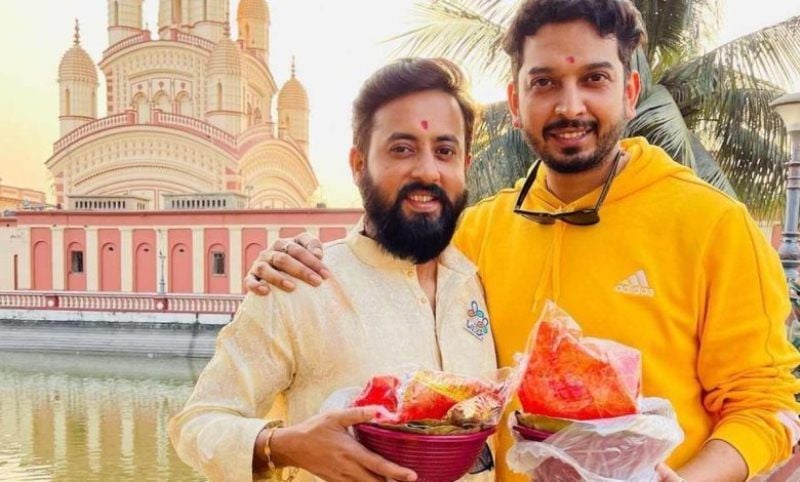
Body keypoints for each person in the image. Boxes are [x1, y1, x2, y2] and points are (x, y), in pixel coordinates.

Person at [245, 1, 800, 481]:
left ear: (630, 92)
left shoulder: (712, 225)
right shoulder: (478, 232)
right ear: (514, 101)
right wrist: (298, 259)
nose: (570, 106)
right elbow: (386, 261)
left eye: (595, 79)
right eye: (545, 83)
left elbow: (766, 407)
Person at [169, 58, 498, 482]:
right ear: (358, 164)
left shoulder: (473, 281)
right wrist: (283, 446)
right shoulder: (301, 283)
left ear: (464, 165)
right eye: (402, 148)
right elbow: (196, 424)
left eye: (445, 151)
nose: (427, 170)